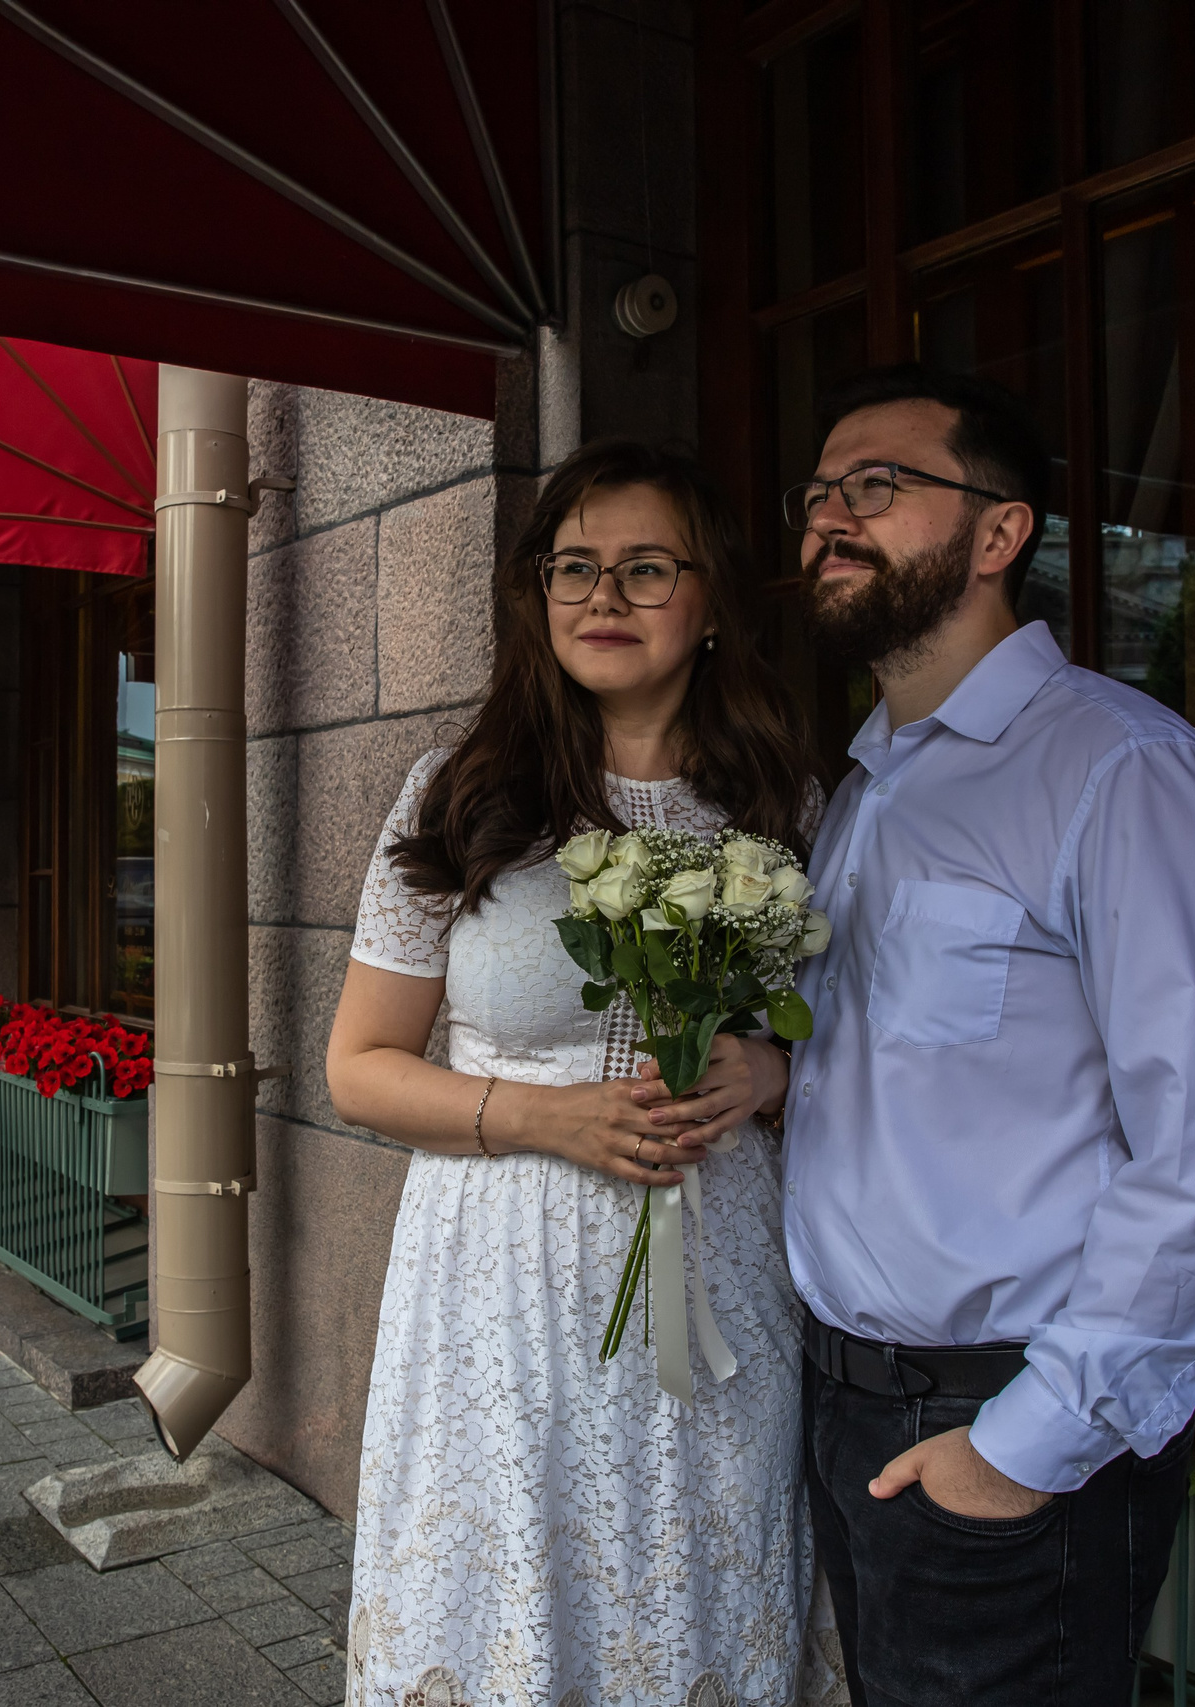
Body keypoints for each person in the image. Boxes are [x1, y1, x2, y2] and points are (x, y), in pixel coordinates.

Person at [756, 365, 1195, 1704]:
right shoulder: (870, 785)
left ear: (1001, 533)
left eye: (875, 487)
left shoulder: (1121, 772)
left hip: (1001, 1421)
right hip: (849, 1408)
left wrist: (1030, 1439)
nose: (829, 517)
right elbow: (916, 1071)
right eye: (818, 492)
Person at [327, 441, 825, 1706]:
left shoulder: (784, 806)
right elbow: (360, 1071)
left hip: (721, 1269)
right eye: (574, 568)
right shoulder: (460, 797)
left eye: (646, 568)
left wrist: (768, 1075)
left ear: (709, 599)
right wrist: (547, 1116)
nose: (604, 597)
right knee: (514, 1610)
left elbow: (848, 1042)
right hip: (501, 1279)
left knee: (701, 1591)